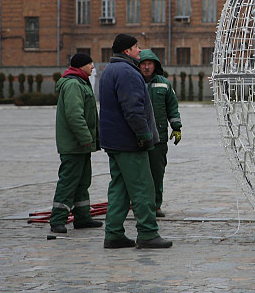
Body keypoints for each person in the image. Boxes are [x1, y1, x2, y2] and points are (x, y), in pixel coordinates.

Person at [98, 33, 172, 249]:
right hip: (130, 142)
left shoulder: (110, 70)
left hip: (115, 142)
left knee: (119, 188)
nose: (140, 51)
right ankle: (148, 233)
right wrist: (144, 135)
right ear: (127, 51)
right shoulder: (127, 72)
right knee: (143, 187)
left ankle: (113, 234)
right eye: (136, 47)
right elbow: (133, 110)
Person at [49, 53, 103, 234]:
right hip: (74, 145)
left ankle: (82, 218)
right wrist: (86, 138)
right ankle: (57, 219)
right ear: (81, 66)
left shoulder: (80, 82)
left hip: (80, 145)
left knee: (82, 181)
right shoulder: (73, 85)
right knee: (69, 182)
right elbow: (74, 115)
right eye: (90, 64)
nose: (93, 67)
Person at [138, 49, 182, 217]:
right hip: (138, 137)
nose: (146, 67)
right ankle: (140, 205)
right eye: (143, 64)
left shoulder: (164, 83)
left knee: (157, 172)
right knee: (139, 174)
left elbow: (172, 107)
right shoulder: (134, 81)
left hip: (159, 137)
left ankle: (156, 205)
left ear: (155, 65)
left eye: (149, 64)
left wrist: (176, 127)